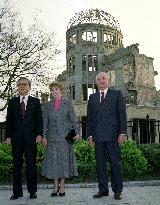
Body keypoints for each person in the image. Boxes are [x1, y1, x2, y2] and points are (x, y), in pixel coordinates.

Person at [87, 72, 127, 200]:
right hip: (98, 137)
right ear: (96, 82)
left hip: (113, 136)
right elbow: (90, 119)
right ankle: (103, 190)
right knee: (100, 164)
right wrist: (90, 135)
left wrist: (122, 133)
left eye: (104, 78)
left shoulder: (116, 94)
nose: (101, 80)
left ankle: (117, 190)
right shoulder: (92, 97)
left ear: (108, 80)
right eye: (98, 79)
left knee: (115, 163)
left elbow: (122, 115)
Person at [5, 77, 43, 200]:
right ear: (17, 87)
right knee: (16, 165)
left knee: (31, 165)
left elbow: (39, 120)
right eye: (19, 84)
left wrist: (39, 134)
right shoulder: (12, 102)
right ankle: (17, 192)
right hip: (16, 139)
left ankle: (32, 191)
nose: (22, 86)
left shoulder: (36, 102)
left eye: (24, 84)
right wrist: (8, 136)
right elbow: (9, 121)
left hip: (31, 138)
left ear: (29, 87)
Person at [41, 81, 80, 197]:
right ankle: (55, 185)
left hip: (65, 137)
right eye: (52, 90)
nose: (54, 92)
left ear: (60, 90)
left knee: (63, 161)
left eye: (56, 89)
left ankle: (62, 186)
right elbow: (45, 123)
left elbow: (73, 119)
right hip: (51, 138)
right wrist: (44, 136)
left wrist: (77, 133)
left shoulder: (67, 103)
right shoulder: (47, 105)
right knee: (53, 161)